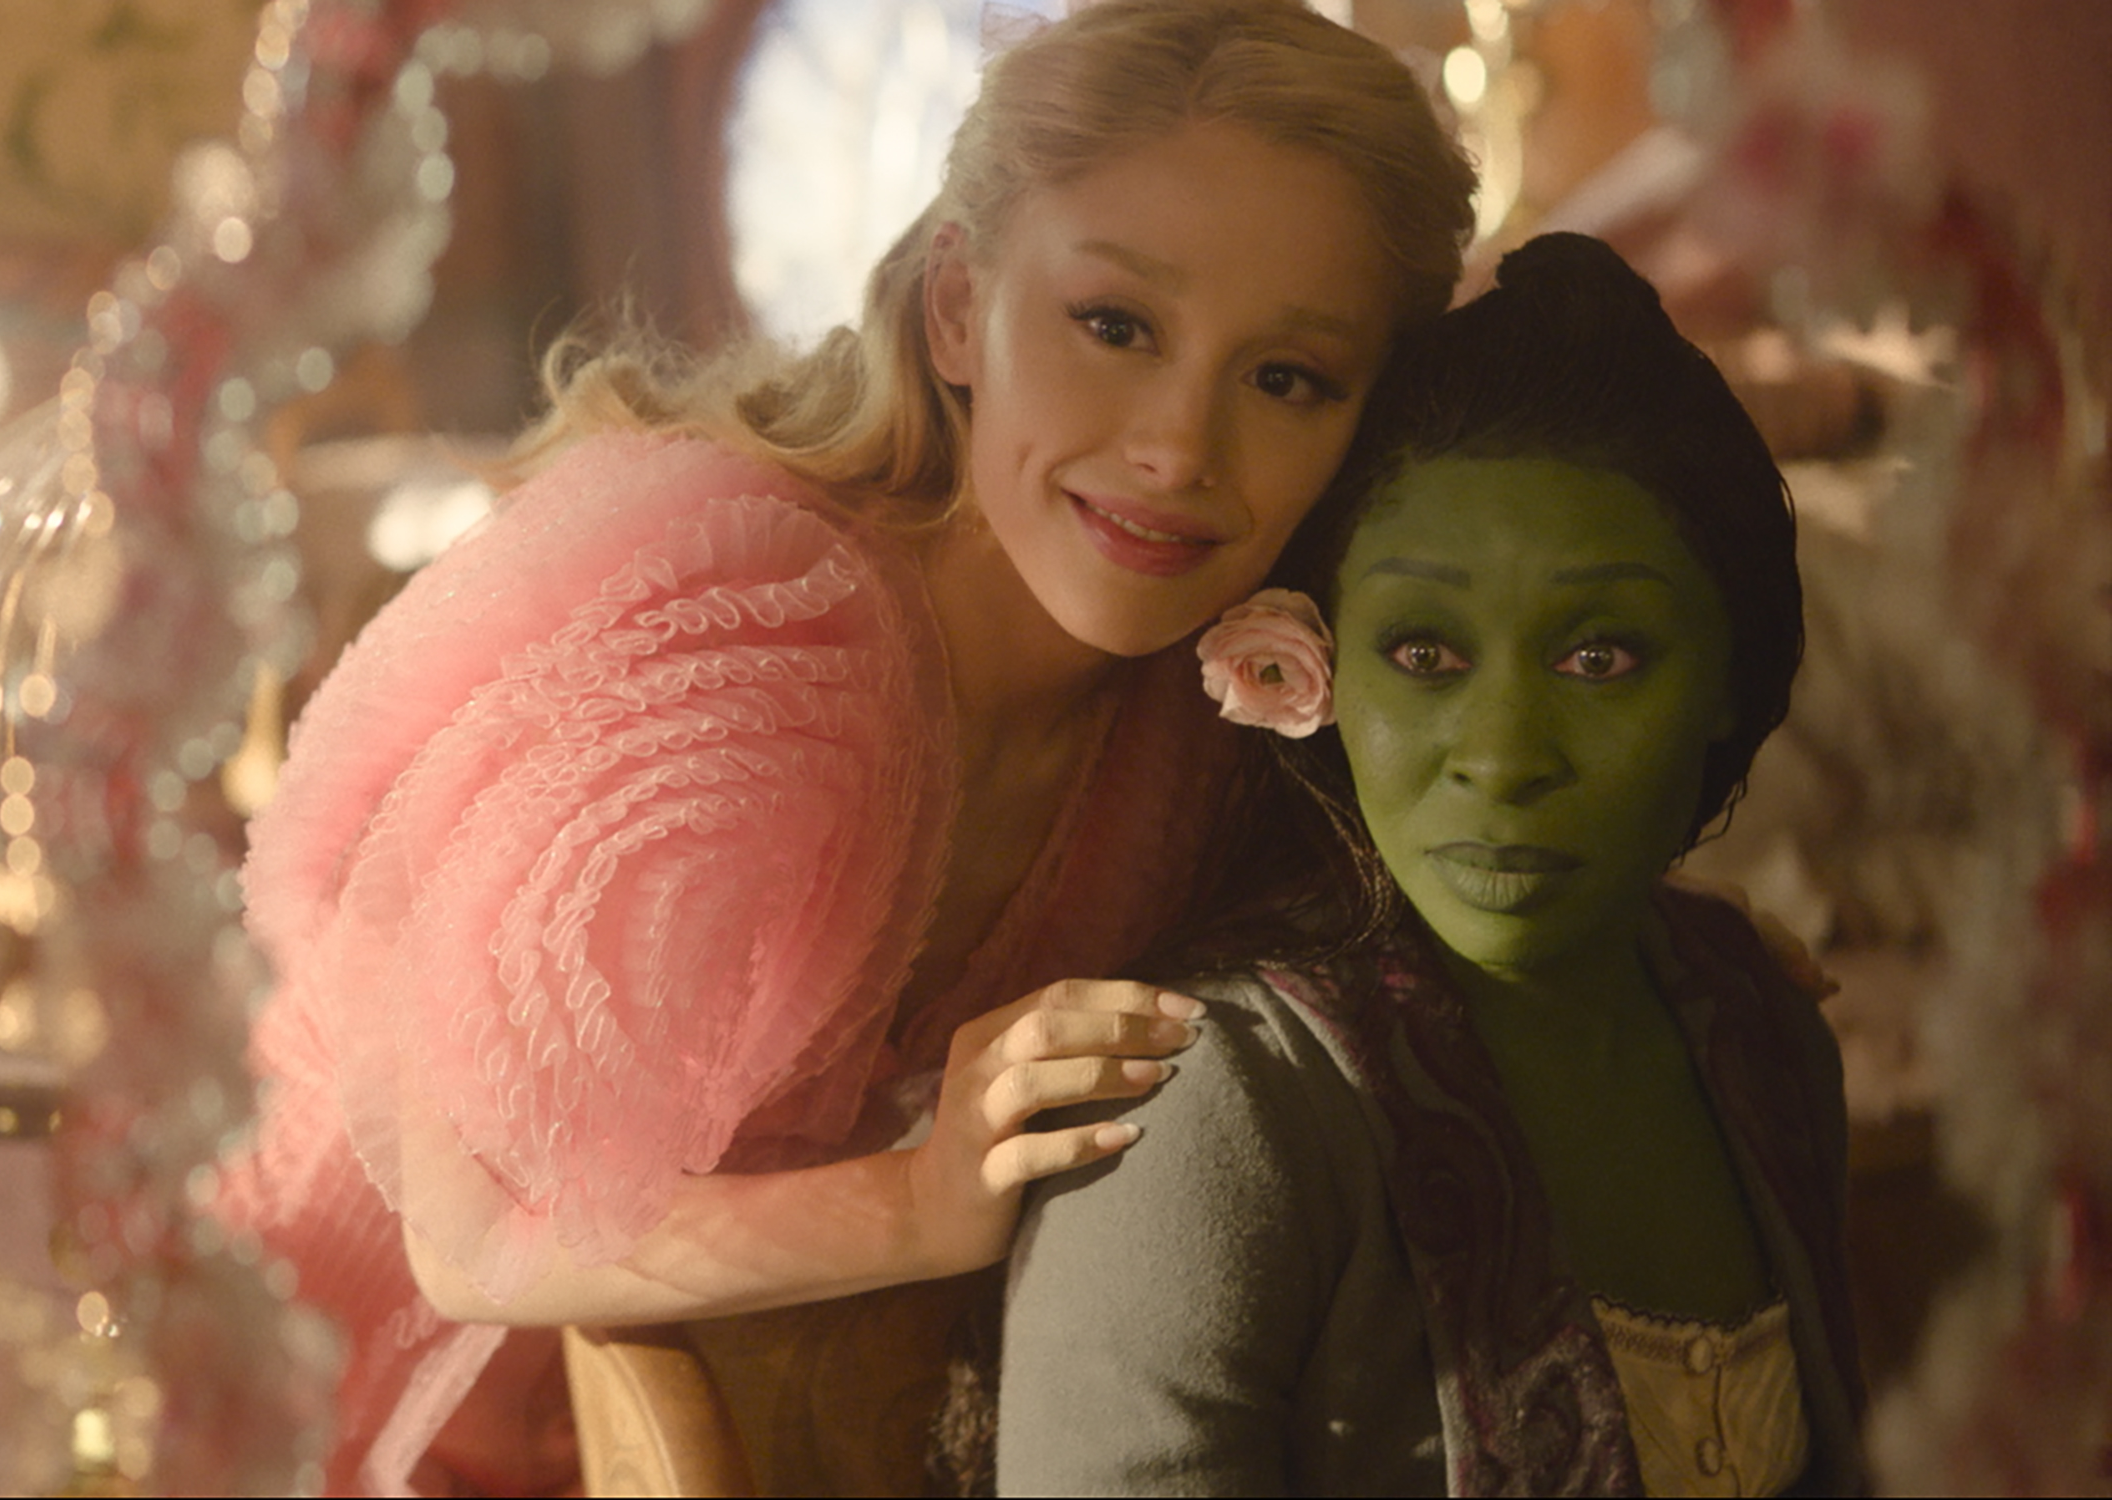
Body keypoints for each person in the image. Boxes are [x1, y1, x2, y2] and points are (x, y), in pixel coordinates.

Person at [214, 1, 1479, 1491]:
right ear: (955, 307)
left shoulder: (1195, 720)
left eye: (1285, 378)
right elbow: (472, 1234)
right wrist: (918, 1200)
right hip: (325, 1416)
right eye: (1113, 325)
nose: (1176, 446)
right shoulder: (757, 676)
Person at [994, 232, 1858, 1495]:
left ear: (1725, 674)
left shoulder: (1762, 1026)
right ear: (1312, 669)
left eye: (1598, 658)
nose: (1500, 759)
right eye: (1421, 655)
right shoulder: (1208, 1108)